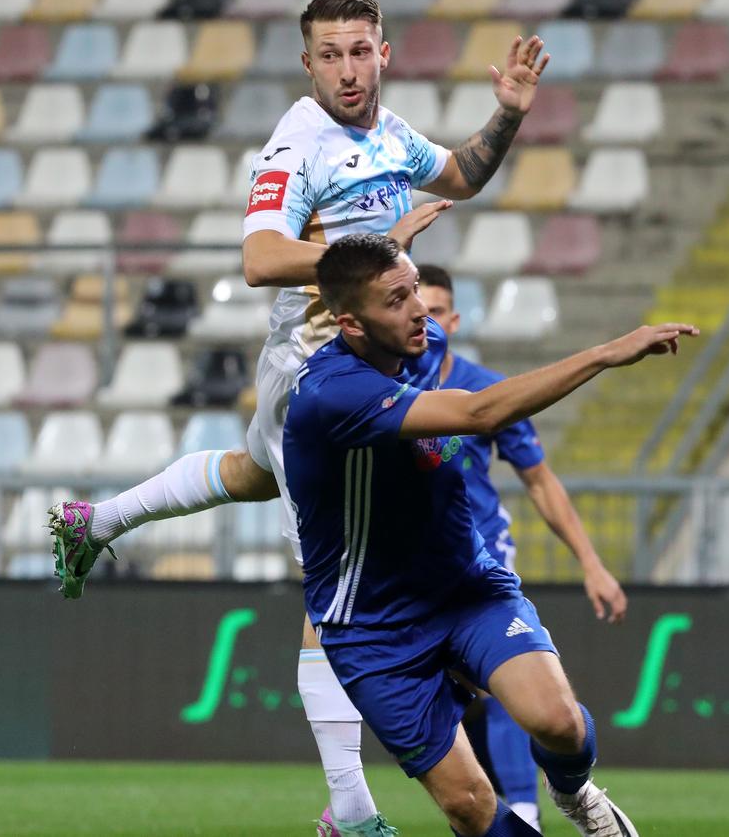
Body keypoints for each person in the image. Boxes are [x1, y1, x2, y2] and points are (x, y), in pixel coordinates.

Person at [49, 0, 551, 836]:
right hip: (313, 380)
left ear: (384, 51)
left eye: (361, 51)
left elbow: (462, 173)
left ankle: (94, 521)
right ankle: (352, 812)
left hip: (341, 365)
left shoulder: (387, 136)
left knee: (247, 474)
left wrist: (505, 118)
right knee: (335, 596)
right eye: (330, 55)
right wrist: (368, 253)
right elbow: (259, 256)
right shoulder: (301, 142)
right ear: (307, 61)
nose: (348, 70)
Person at [284, 233, 695, 837]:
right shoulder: (333, 393)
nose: (420, 309)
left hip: (465, 589)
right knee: (469, 806)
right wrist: (607, 353)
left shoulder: (424, 343)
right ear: (350, 324)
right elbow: (478, 415)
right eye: (397, 300)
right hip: (372, 626)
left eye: (416, 289)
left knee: (558, 722)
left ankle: (576, 792)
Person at [416, 264, 627, 832]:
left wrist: (591, 563)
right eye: (416, 307)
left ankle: (537, 805)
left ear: (453, 320)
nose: (424, 320)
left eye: (436, 310)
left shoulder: (489, 389)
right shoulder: (382, 390)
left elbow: (539, 480)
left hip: (482, 560)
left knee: (509, 685)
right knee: (453, 710)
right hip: (411, 574)